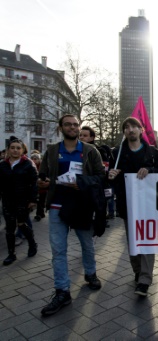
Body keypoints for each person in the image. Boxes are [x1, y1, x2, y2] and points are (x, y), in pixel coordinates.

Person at [39, 114, 105, 316]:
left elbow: (100, 177)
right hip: (58, 207)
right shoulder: (51, 151)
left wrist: (82, 182)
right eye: (68, 124)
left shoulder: (90, 151)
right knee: (58, 250)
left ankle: (91, 273)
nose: (72, 127)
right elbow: (42, 176)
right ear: (61, 128)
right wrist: (42, 184)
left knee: (87, 243)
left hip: (81, 206)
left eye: (75, 124)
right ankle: (62, 291)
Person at [109, 117, 158, 297]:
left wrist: (150, 170)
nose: (130, 130)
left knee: (147, 240)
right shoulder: (117, 153)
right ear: (124, 132)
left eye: (134, 126)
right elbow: (111, 177)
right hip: (128, 204)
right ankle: (138, 271)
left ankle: (145, 279)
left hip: (149, 205)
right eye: (126, 127)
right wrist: (111, 175)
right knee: (133, 240)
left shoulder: (152, 152)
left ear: (141, 130)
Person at [0, 137, 38, 265]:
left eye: (18, 148)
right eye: (12, 148)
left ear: (22, 150)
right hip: (7, 200)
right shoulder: (3, 165)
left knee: (21, 223)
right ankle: (11, 254)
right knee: (10, 228)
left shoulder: (28, 164)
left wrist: (33, 200)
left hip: (23, 200)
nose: (15, 150)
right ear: (8, 150)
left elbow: (34, 183)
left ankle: (32, 243)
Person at [79, 126, 115, 219]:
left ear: (92, 138)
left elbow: (104, 169)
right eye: (80, 135)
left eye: (85, 135)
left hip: (96, 185)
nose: (82, 137)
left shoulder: (99, 151)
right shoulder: (76, 150)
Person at [30, 152, 47, 222]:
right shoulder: (31, 166)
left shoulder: (43, 166)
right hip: (35, 188)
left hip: (42, 187)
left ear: (39, 159)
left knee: (41, 201)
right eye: (33, 159)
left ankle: (39, 214)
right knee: (39, 201)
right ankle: (40, 214)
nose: (34, 160)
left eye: (35, 159)